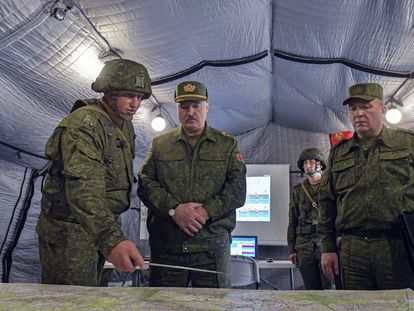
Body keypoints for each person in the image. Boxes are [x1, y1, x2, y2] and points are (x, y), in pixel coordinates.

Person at [36, 59, 152, 286]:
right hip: (70, 232)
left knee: (95, 297)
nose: (135, 104)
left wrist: (109, 234)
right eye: (129, 95)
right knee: (72, 302)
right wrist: (111, 239)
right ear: (109, 92)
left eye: (140, 97)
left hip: (99, 226)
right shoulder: (84, 124)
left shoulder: (123, 125)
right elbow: (84, 187)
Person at [137, 80, 246, 288]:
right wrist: (174, 210)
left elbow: (237, 190)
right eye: (184, 106)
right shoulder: (160, 145)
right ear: (178, 109)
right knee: (164, 305)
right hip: (167, 247)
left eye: (196, 106)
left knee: (213, 306)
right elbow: (145, 182)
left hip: (211, 250)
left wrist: (205, 212)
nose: (190, 112)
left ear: (206, 107)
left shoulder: (227, 145)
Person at [318, 82, 414, 290]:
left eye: (366, 106)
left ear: (383, 110)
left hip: (397, 247)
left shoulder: (407, 143)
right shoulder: (339, 153)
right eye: (353, 108)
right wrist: (327, 247)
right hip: (353, 251)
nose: (358, 113)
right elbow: (326, 202)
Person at [287, 148, 331, 290]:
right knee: (311, 290)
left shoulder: (330, 186)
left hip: (325, 245)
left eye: (311, 161)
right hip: (304, 247)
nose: (307, 165)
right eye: (305, 162)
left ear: (320, 164)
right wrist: (291, 249)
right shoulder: (298, 190)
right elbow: (292, 221)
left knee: (329, 289)